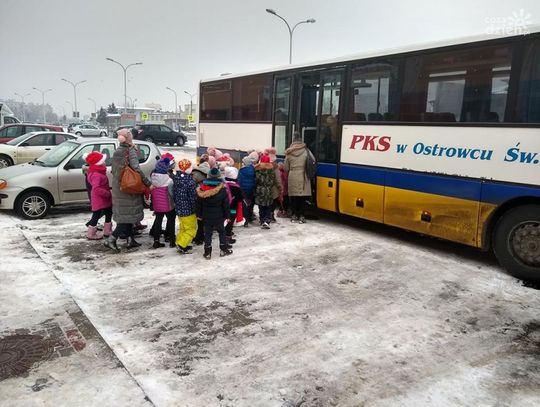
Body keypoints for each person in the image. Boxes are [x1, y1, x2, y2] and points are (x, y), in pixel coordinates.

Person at [104, 128, 152, 251]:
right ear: (128, 138)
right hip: (129, 187)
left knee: (127, 215)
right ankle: (111, 239)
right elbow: (136, 168)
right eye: (130, 135)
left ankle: (130, 240)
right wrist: (147, 183)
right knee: (126, 217)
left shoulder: (118, 150)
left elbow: (114, 170)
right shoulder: (130, 150)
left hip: (119, 186)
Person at [196, 167, 233, 259]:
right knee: (222, 232)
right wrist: (228, 216)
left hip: (206, 216)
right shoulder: (222, 190)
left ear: (208, 176)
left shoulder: (202, 189)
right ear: (219, 176)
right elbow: (226, 205)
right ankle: (223, 249)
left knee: (208, 233)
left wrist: (199, 215)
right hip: (219, 216)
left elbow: (198, 204)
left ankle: (207, 252)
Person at [284, 131, 312, 223]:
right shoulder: (306, 151)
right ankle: (302, 216)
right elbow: (313, 161)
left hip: (293, 176)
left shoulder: (289, 152)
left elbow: (286, 168)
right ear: (301, 141)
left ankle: (294, 215)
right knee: (302, 198)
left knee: (294, 197)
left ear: (293, 141)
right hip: (304, 176)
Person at [84, 151, 112, 239]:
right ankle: (91, 234)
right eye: (103, 161)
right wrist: (107, 194)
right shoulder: (96, 174)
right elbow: (96, 188)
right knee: (96, 215)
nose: (104, 162)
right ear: (98, 163)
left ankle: (107, 231)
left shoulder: (98, 172)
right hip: (100, 198)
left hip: (103, 199)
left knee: (108, 213)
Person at [149, 158, 175, 249]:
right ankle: (172, 241)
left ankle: (156, 241)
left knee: (158, 220)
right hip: (168, 205)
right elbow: (172, 193)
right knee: (171, 220)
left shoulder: (153, 177)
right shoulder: (169, 179)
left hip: (157, 204)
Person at [173, 159, 198, 254]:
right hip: (188, 210)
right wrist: (196, 208)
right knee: (191, 229)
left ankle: (179, 242)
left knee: (183, 227)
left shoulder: (176, 179)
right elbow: (193, 198)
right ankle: (182, 244)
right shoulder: (190, 182)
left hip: (179, 209)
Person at [255, 154, 280, 229]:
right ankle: (267, 221)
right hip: (269, 191)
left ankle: (262, 220)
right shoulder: (271, 171)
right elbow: (274, 181)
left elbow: (255, 181)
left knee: (261, 207)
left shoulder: (257, 170)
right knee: (268, 207)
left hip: (259, 190)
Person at [223, 166, 242, 244]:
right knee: (230, 223)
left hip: (224, 208)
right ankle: (228, 237)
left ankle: (225, 235)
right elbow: (240, 199)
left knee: (225, 221)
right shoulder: (236, 187)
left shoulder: (223, 185)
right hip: (233, 208)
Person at [238, 155, 256, 227]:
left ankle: (245, 220)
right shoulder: (253, 169)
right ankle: (250, 216)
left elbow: (239, 180)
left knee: (245, 204)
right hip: (251, 189)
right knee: (250, 203)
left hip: (243, 189)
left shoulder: (241, 170)